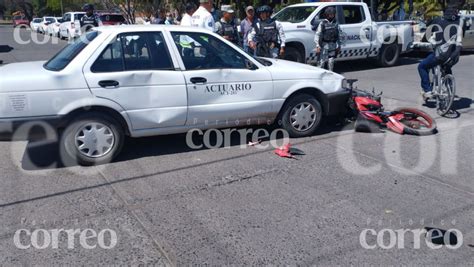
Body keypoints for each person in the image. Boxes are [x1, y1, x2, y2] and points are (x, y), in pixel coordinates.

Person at [417, 6, 463, 100]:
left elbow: (427, 36)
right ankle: (449, 88)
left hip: (441, 54)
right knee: (446, 67)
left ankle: (427, 90)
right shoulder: (460, 22)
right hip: (454, 56)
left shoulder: (438, 21)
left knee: (422, 66)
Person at [314, 7, 342, 72]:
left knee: (331, 61)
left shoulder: (336, 24)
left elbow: (339, 35)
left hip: (333, 44)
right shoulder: (322, 23)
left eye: (333, 14)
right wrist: (317, 46)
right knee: (321, 62)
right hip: (324, 45)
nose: (331, 15)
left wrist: (339, 46)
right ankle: (320, 76)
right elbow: (317, 34)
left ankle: (330, 75)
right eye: (330, 14)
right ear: (327, 15)